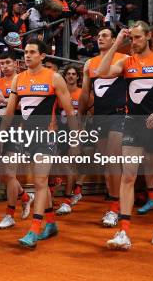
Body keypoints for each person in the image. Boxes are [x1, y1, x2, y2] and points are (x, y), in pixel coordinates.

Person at [98, 21, 153, 250]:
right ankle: (124, 231)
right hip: (132, 125)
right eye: (131, 38)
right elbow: (102, 72)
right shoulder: (126, 62)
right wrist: (116, 44)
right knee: (128, 177)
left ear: (148, 36)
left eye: (137, 37)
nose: (133, 42)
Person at [4, 39, 78, 249]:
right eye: (25, 52)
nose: (27, 55)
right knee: (41, 183)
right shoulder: (18, 79)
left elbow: (70, 112)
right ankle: (51, 224)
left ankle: (34, 229)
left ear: (42, 56)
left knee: (40, 181)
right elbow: (10, 112)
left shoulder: (54, 78)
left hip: (47, 136)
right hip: (27, 137)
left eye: (32, 52)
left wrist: (74, 141)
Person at [78, 27, 127, 227]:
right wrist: (79, 120)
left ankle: (116, 208)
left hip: (119, 114)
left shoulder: (123, 58)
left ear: (115, 39)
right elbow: (84, 94)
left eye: (105, 35)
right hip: (99, 117)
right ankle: (115, 204)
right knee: (107, 164)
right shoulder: (89, 63)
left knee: (114, 160)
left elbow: (113, 73)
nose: (100, 38)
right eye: (98, 36)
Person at [0, 51, 34, 229]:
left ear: (16, 64)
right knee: (3, 175)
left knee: (10, 174)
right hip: (0, 129)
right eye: (2, 63)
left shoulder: (22, 80)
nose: (4, 66)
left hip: (18, 129)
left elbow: (30, 106)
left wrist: (8, 101)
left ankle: (10, 214)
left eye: (7, 63)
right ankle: (25, 197)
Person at [55, 66, 84, 215]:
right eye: (69, 74)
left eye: (74, 74)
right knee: (61, 165)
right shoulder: (59, 93)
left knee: (72, 164)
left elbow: (87, 114)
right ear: (65, 76)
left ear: (78, 77)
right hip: (60, 132)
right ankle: (70, 191)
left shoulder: (82, 93)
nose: (71, 76)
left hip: (76, 132)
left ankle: (68, 198)